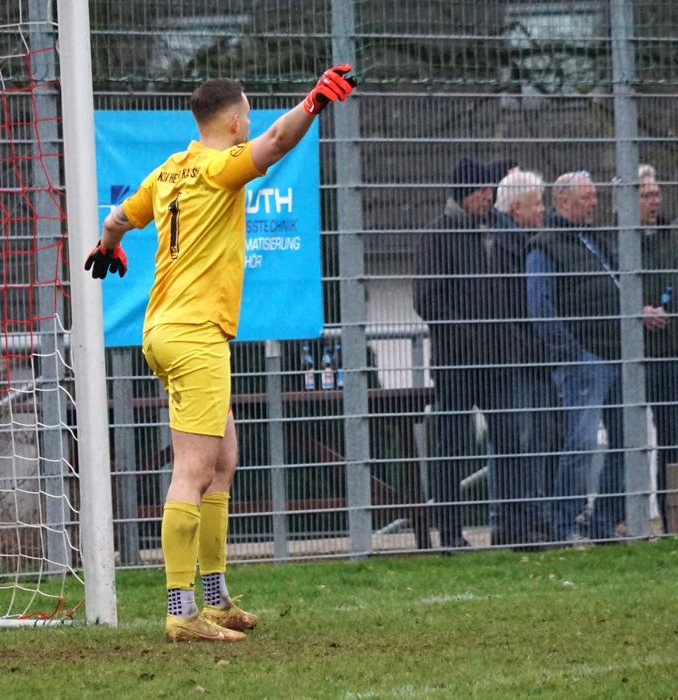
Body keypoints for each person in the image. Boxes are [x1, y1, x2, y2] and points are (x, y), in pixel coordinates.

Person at [85, 67, 355, 641]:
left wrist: (109, 249)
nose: (251, 124)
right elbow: (279, 143)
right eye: (249, 115)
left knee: (224, 457)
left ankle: (215, 598)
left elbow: (115, 220)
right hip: (194, 335)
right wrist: (313, 101)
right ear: (233, 120)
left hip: (165, 331)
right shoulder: (216, 168)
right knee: (193, 470)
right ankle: (181, 613)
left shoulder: (167, 171)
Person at [414, 156, 509, 550]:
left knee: (505, 438)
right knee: (451, 446)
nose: (490, 197)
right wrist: (467, 332)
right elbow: (426, 299)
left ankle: (507, 524)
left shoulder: (495, 232)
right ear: (465, 194)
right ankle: (450, 533)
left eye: (492, 189)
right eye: (483, 191)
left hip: (495, 358)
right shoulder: (439, 235)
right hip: (456, 360)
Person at [526, 170, 626, 542]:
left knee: (625, 442)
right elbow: (541, 308)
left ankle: (603, 522)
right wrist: (573, 354)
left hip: (619, 354)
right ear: (562, 201)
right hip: (586, 359)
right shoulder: (545, 246)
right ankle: (564, 523)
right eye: (586, 197)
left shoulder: (595, 239)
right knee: (581, 443)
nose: (594, 203)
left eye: (595, 196)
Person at [487, 170, 557, 545]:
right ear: (517, 209)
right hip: (515, 359)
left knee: (535, 440)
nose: (543, 210)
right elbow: (506, 309)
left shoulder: (526, 243)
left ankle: (531, 516)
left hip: (531, 356)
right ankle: (512, 521)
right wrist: (529, 347)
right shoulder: (502, 247)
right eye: (537, 204)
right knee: (518, 441)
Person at [639, 164, 677, 533]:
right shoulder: (617, 238)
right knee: (630, 437)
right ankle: (626, 517)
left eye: (656, 193)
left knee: (671, 436)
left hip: (668, 351)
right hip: (635, 355)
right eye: (647, 194)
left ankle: (671, 517)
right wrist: (641, 310)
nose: (655, 200)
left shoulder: (670, 235)